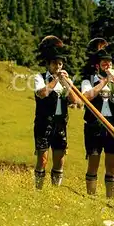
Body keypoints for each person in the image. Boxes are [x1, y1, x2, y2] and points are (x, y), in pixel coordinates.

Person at [81, 41, 114, 198]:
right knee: (93, 160)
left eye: (109, 63)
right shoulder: (88, 80)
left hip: (113, 127)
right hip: (94, 127)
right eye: (104, 64)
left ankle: (110, 198)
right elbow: (86, 97)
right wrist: (104, 81)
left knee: (112, 162)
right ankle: (90, 196)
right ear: (97, 66)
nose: (107, 66)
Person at [33, 35, 81, 189]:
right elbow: (42, 93)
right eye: (55, 63)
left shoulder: (65, 81)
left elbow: (75, 101)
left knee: (60, 158)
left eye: (60, 64)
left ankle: (55, 190)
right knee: (43, 158)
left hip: (60, 124)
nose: (58, 66)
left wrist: (67, 84)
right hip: (43, 123)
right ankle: (38, 189)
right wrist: (55, 80)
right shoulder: (39, 77)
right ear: (48, 64)